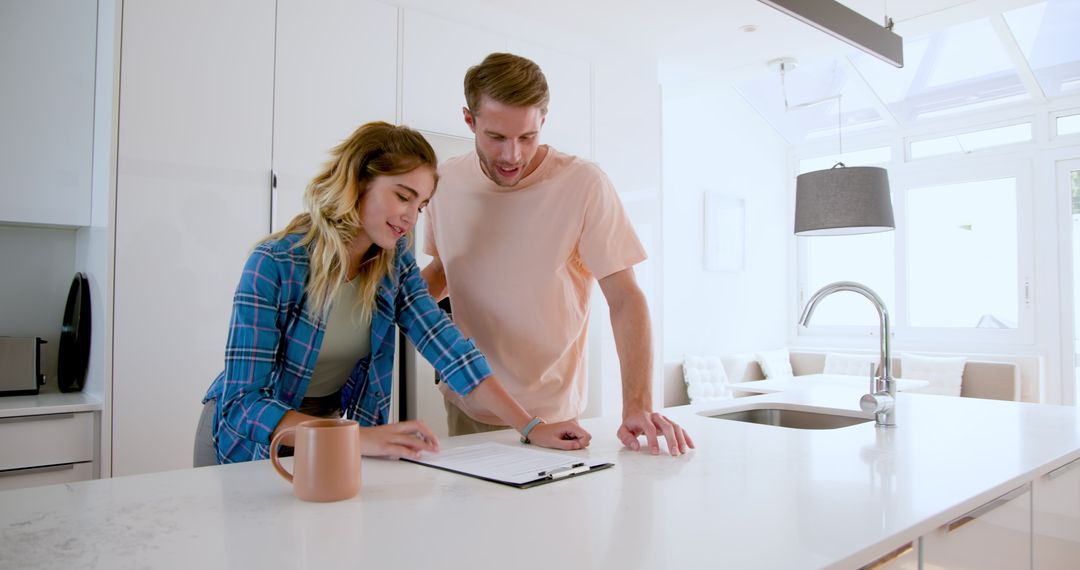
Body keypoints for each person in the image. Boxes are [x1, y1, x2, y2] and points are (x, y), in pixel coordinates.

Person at [194, 121, 590, 467]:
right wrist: (355, 437)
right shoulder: (275, 264)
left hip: (329, 431)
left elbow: (448, 347)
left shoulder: (391, 264)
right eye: (403, 196)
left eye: (421, 205)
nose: (411, 217)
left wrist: (530, 426)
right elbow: (243, 403)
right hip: (251, 438)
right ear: (359, 181)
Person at [421, 53, 693, 456]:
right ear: (469, 121)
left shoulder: (583, 184)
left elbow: (624, 297)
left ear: (542, 122)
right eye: (496, 137)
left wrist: (637, 404)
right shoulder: (445, 181)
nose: (512, 155)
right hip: (469, 403)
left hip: (553, 412)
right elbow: (447, 268)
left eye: (526, 137)